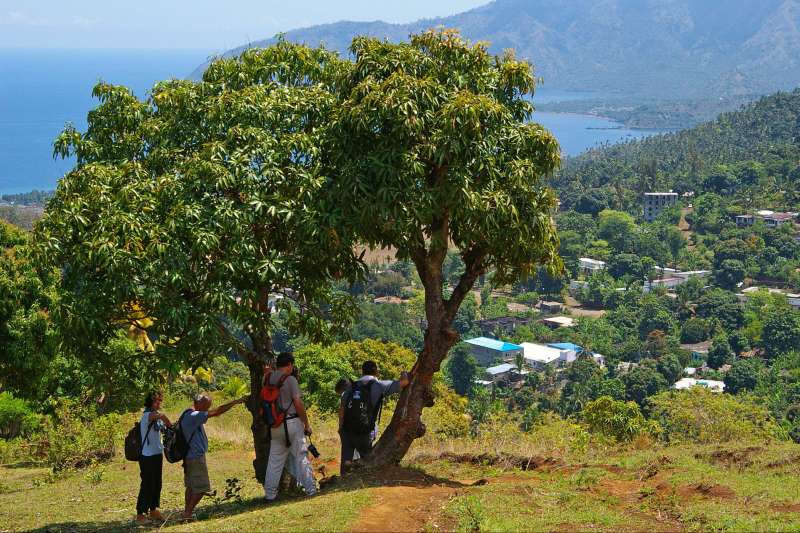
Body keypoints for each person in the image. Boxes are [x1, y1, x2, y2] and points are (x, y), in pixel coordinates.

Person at [181, 393, 245, 520]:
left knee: (191, 486)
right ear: (198, 404)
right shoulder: (193, 415)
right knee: (201, 488)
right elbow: (217, 412)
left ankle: (186, 512)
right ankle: (187, 513)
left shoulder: (188, 413)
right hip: (195, 457)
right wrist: (234, 402)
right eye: (206, 406)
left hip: (190, 456)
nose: (207, 409)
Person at [339, 361, 410, 472]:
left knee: (346, 460)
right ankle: (361, 481)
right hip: (365, 431)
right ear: (375, 370)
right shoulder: (379, 385)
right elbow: (404, 382)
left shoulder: (351, 386)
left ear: (362, 371)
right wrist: (405, 372)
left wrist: (341, 428)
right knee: (366, 459)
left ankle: (342, 481)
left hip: (347, 429)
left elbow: (342, 408)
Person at [263, 352, 317, 502]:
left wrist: (267, 372)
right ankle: (311, 490)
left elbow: (267, 378)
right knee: (301, 456)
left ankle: (270, 495)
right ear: (290, 365)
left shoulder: (267, 378)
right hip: (292, 423)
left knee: (274, 462)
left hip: (274, 425)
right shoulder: (290, 379)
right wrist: (306, 424)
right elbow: (298, 403)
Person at [136, 391, 171, 524]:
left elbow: (162, 423)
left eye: (159, 401)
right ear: (150, 402)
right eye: (156, 401)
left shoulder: (155, 417)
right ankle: (140, 513)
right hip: (147, 456)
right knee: (147, 484)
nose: (158, 403)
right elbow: (161, 416)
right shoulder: (147, 415)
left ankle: (153, 510)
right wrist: (169, 423)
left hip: (157, 454)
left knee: (157, 483)